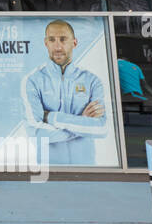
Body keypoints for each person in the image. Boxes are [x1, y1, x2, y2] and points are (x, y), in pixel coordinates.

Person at [22, 20, 107, 164]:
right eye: (52, 40)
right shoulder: (32, 80)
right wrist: (82, 122)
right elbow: (35, 131)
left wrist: (51, 117)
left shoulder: (92, 80)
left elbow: (101, 129)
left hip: (87, 168)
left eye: (63, 39)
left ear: (74, 42)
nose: (57, 46)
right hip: (49, 167)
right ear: (45, 43)